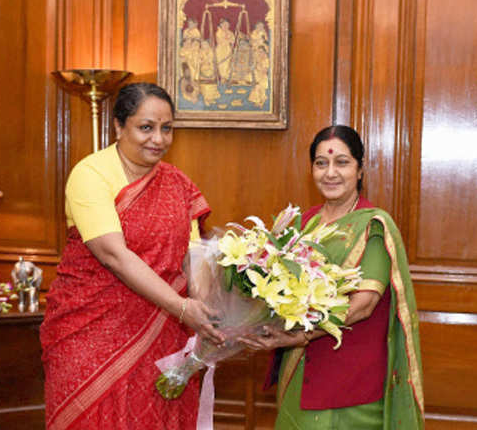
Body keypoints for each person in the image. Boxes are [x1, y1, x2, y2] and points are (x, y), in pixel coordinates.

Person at [40, 83, 225, 430]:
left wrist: (204, 308)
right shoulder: (90, 174)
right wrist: (183, 308)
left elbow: (192, 254)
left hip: (161, 334)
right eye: (146, 127)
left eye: (166, 128)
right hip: (89, 332)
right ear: (118, 126)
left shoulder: (177, 183)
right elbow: (113, 254)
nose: (158, 138)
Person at [239, 125, 424, 429]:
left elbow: (363, 305)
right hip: (300, 370)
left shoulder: (373, 226)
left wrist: (300, 336)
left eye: (342, 162)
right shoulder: (303, 223)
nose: (330, 173)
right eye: (321, 163)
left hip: (351, 382)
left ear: (360, 170)